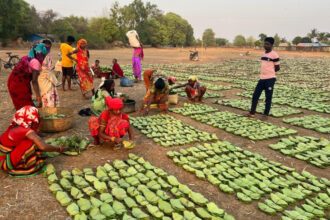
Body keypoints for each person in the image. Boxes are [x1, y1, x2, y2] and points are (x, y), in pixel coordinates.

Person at [0, 106, 65, 177]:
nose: (39, 117)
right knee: (30, 143)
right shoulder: (25, 131)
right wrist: (58, 149)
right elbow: (43, 147)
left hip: (3, 158)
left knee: (33, 141)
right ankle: (27, 168)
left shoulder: (16, 125)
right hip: (5, 163)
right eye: (37, 115)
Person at [7, 40, 52, 110]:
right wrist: (39, 98)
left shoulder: (26, 57)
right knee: (27, 108)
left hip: (12, 82)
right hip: (19, 85)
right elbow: (34, 81)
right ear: (41, 54)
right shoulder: (36, 63)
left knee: (21, 107)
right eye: (45, 54)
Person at [247, 37, 280, 120]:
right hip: (262, 79)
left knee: (268, 97)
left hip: (270, 79)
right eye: (265, 44)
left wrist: (270, 73)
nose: (265, 45)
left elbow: (277, 68)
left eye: (267, 44)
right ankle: (252, 113)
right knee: (255, 96)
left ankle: (265, 115)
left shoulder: (274, 55)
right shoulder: (263, 54)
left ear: (272, 45)